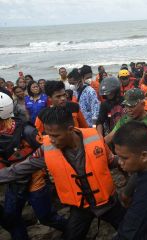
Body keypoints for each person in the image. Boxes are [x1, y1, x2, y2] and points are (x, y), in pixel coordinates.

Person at [0, 107, 125, 239]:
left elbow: (111, 160)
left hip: (108, 202)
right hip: (81, 208)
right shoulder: (47, 149)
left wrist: (125, 162)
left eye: (55, 135)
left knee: (132, 230)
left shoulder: (95, 137)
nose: (51, 140)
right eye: (48, 134)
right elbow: (19, 169)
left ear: (70, 129)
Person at [0, 93, 67, 239]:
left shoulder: (26, 130)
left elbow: (48, 151)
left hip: (35, 179)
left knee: (46, 216)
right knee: (11, 217)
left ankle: (71, 230)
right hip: (14, 181)